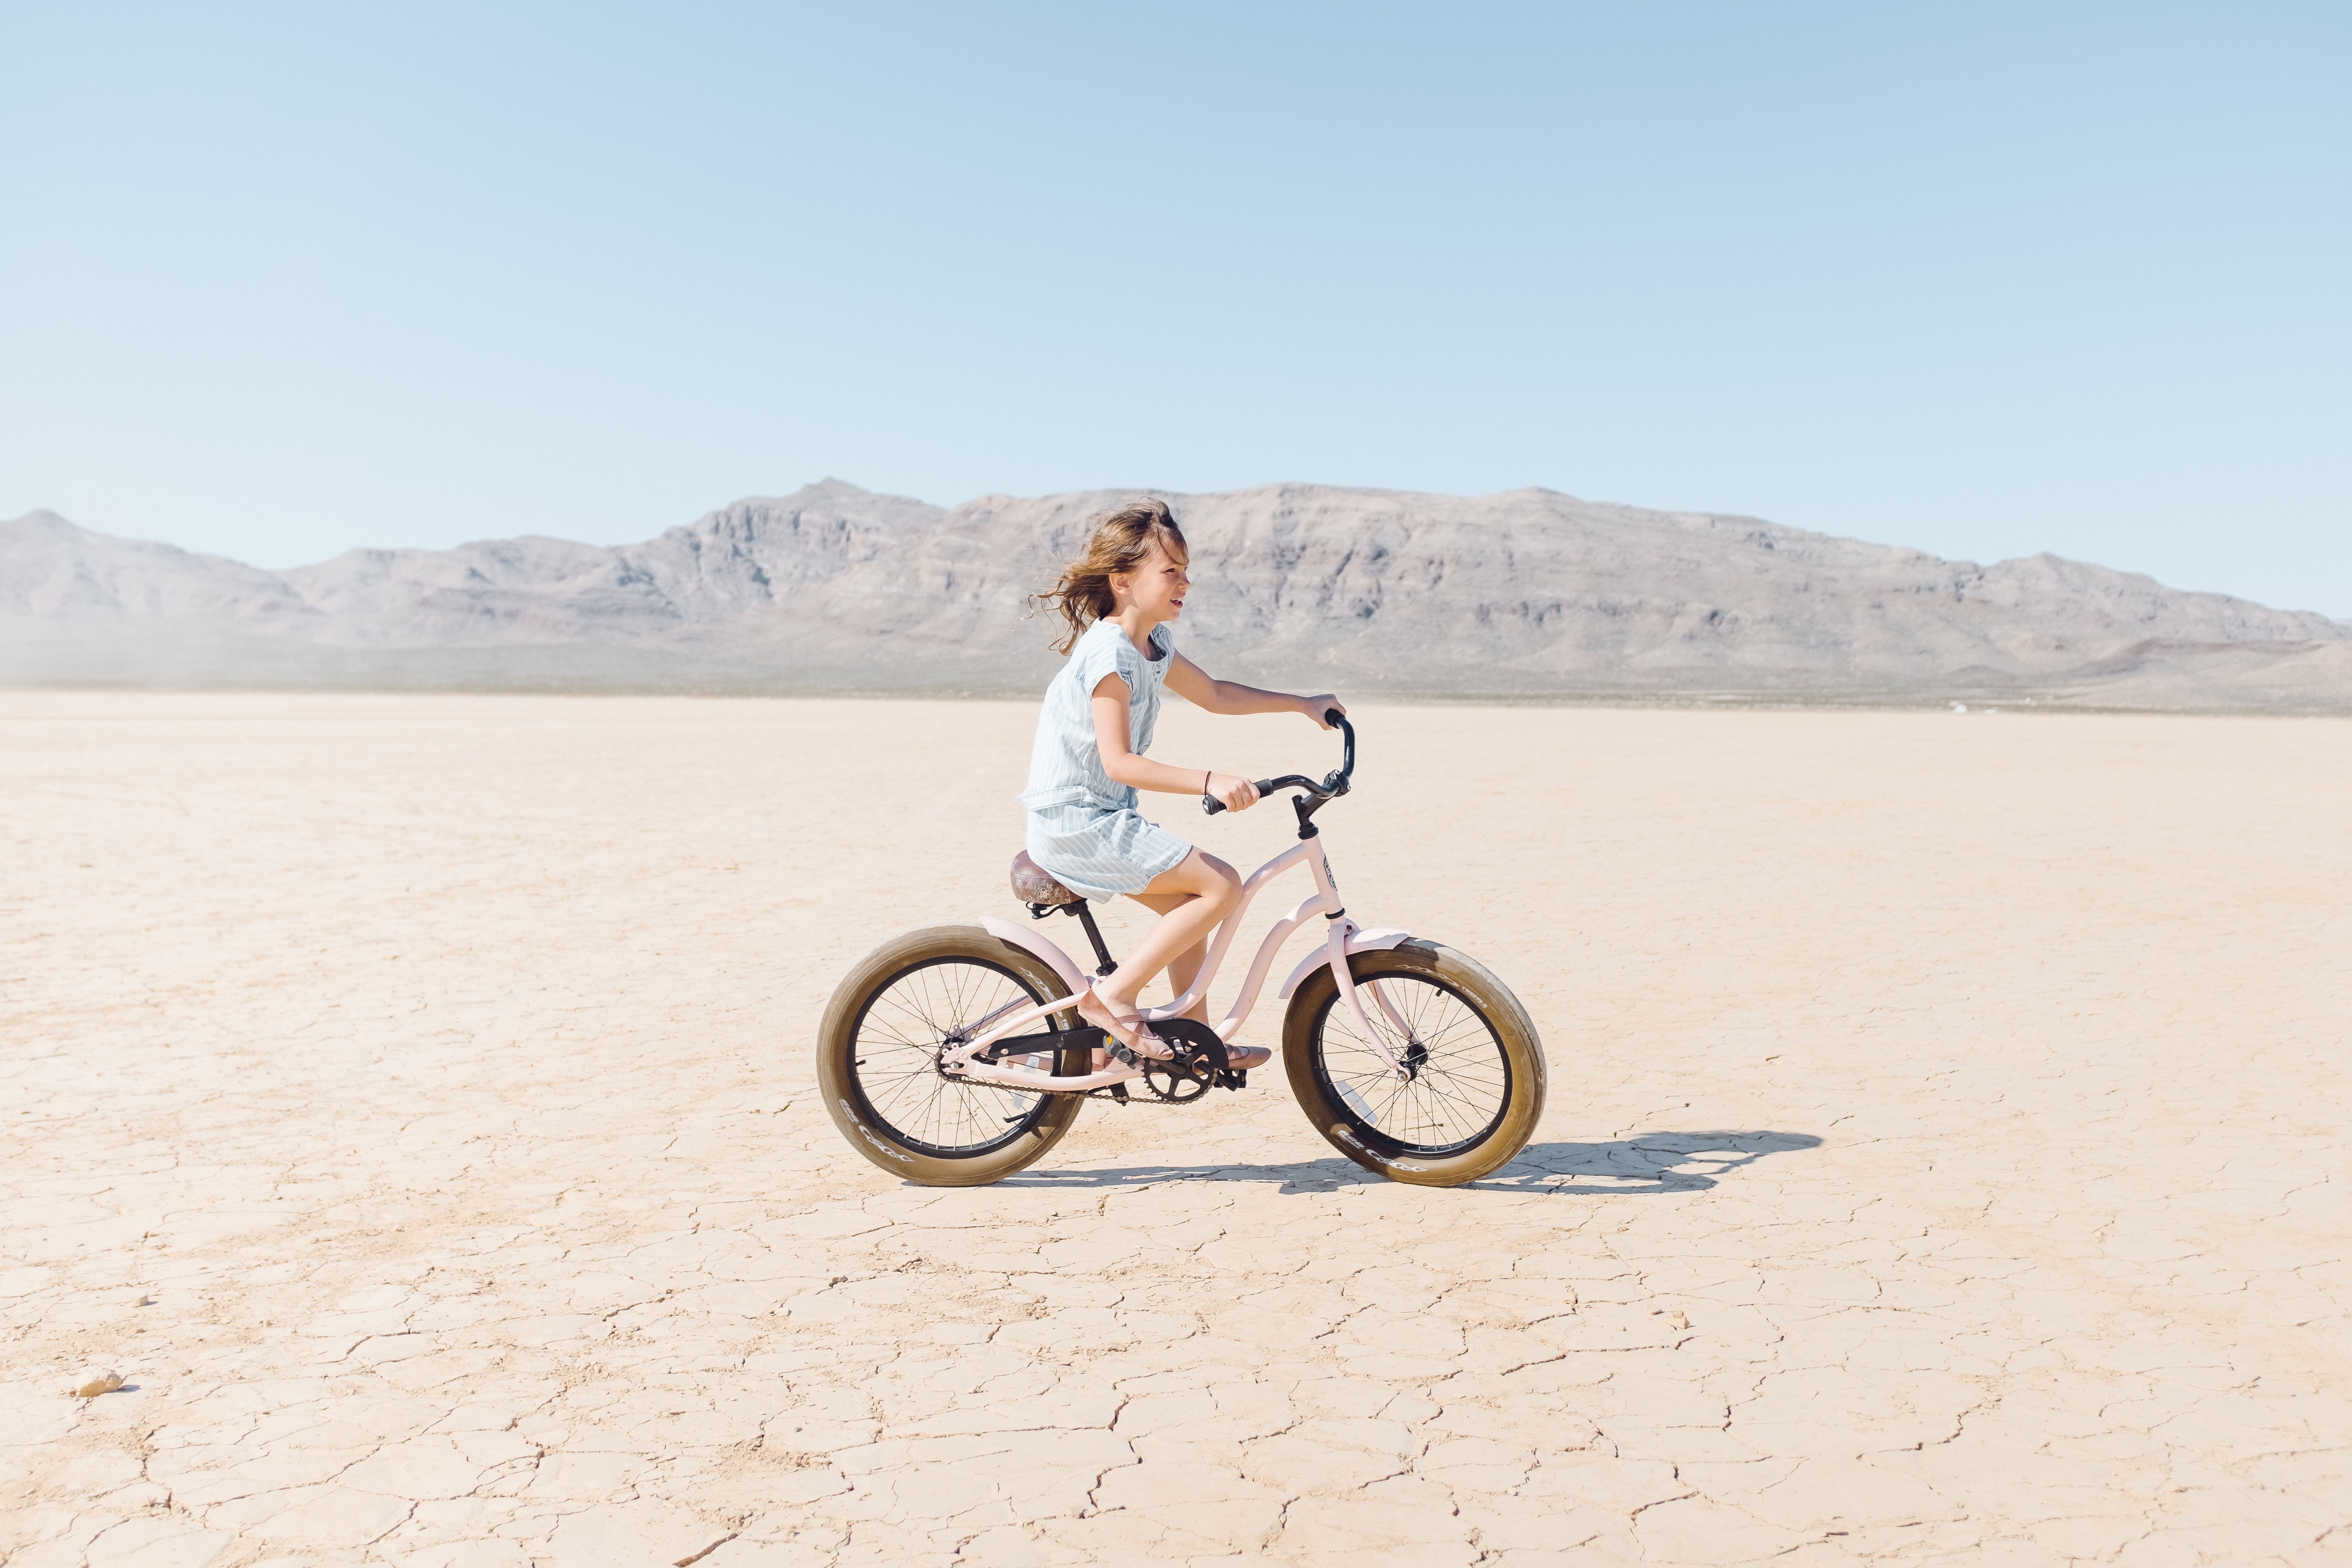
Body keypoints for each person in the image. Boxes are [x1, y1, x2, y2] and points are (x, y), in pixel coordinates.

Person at [1020, 497, 1344, 1071]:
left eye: (1186, 571)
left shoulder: (1154, 645)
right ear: (1123, 582)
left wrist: (1302, 705)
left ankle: (1191, 1040)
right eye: (1171, 572)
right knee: (1221, 885)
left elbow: (1215, 693)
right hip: (1076, 822)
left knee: (1196, 902)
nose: (1185, 583)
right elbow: (1119, 762)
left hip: (1102, 818)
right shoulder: (1110, 654)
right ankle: (1112, 1000)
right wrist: (1211, 780)